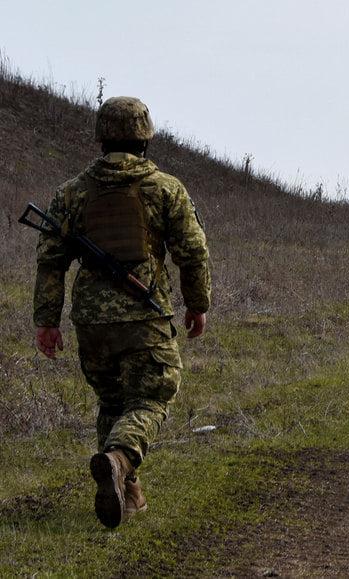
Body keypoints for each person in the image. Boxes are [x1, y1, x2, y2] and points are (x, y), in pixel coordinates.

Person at [32, 96, 211, 528]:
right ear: (145, 136)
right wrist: (197, 304)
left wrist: (46, 321)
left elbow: (51, 259)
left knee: (112, 401)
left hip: (91, 321)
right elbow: (193, 251)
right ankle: (118, 459)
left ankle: (127, 493)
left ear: (100, 136)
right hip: (144, 318)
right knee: (151, 396)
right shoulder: (165, 188)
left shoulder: (71, 192)